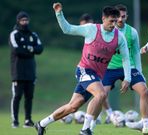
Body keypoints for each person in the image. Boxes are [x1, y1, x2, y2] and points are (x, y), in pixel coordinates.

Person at [35, 3, 131, 135]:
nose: (114, 24)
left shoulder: (119, 37)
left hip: (97, 76)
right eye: (111, 21)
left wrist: (127, 78)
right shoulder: (91, 29)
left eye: (115, 21)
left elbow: (126, 58)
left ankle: (41, 124)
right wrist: (59, 13)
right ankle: (85, 129)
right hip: (84, 70)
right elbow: (67, 29)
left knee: (73, 106)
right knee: (101, 94)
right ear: (103, 18)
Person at [89, 4, 148, 135]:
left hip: (129, 67)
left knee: (144, 91)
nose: (120, 20)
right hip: (109, 69)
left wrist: (139, 72)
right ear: (114, 18)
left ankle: (146, 125)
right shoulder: (108, 30)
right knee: (100, 96)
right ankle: (90, 127)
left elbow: (135, 54)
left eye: (123, 16)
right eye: (118, 17)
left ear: (127, 16)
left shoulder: (132, 32)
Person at [9, 11, 43, 128]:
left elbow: (40, 48)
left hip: (30, 72)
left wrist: (28, 49)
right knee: (17, 96)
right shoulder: (14, 34)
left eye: (26, 20)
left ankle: (28, 119)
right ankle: (15, 120)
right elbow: (16, 50)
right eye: (22, 20)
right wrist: (30, 49)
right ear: (18, 21)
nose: (25, 22)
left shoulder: (33, 35)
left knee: (29, 97)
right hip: (18, 72)